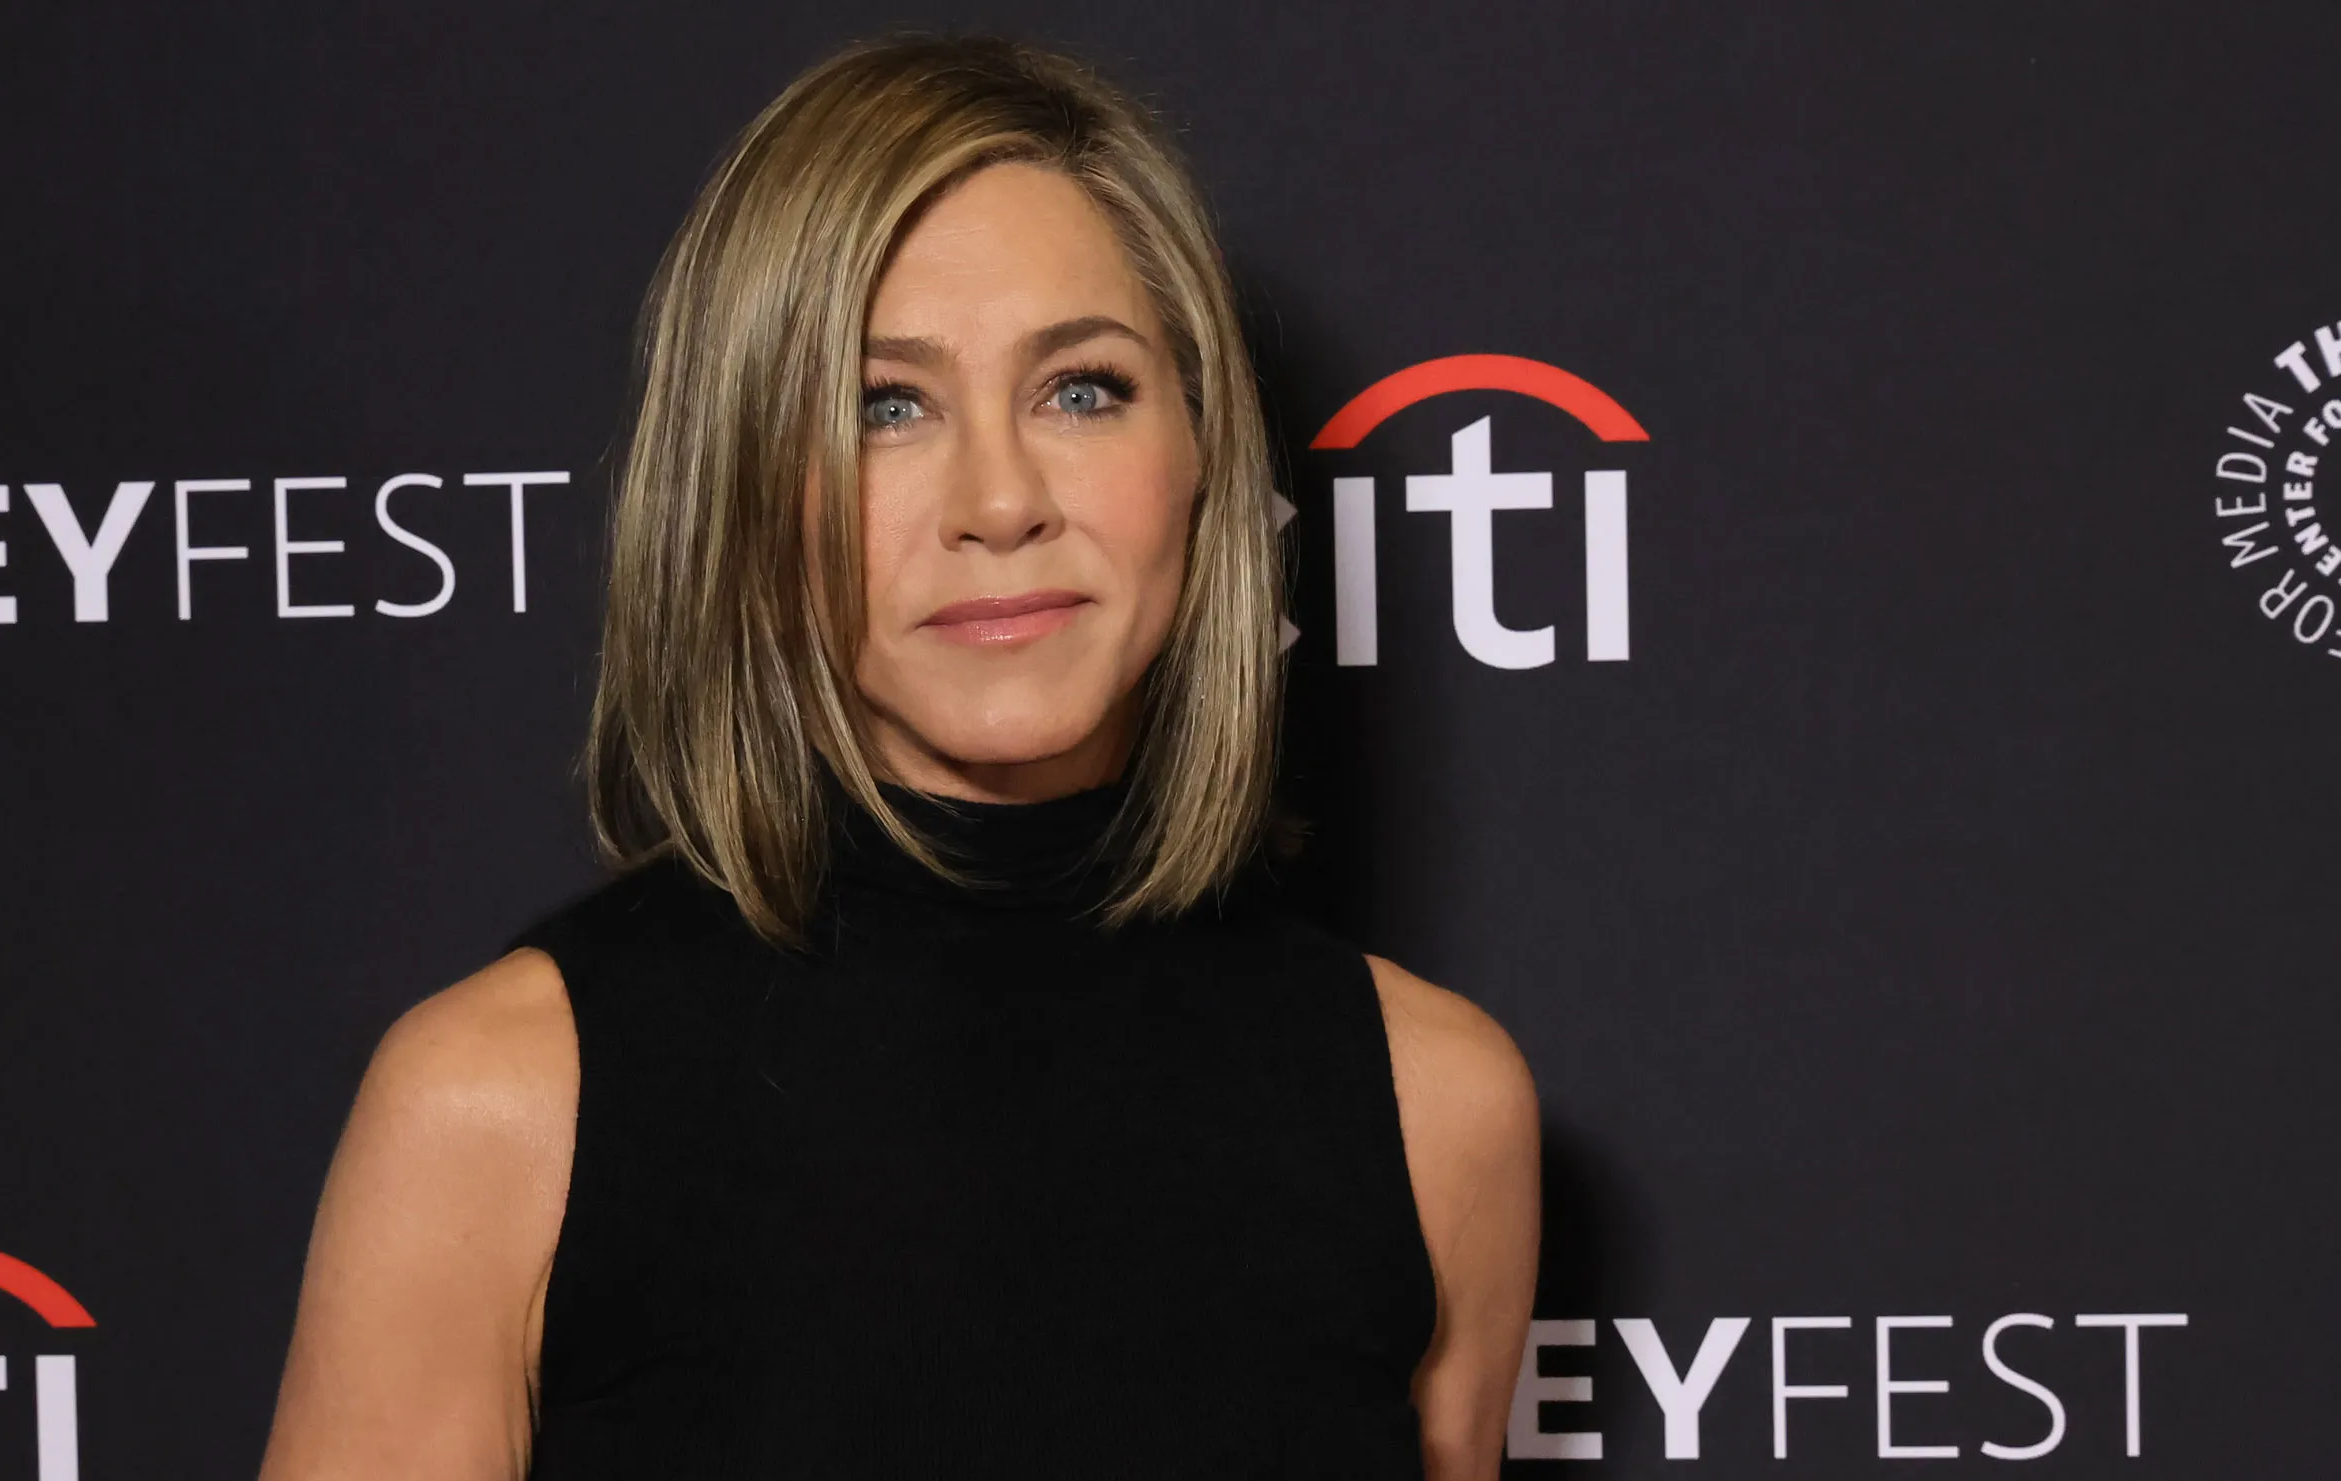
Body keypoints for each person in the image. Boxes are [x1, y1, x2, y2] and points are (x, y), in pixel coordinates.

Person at [258, 33, 1538, 1481]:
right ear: (743, 486)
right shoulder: (499, 1106)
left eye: (1081, 388)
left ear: (1201, 451)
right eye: (885, 406)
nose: (1000, 499)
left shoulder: (1433, 1105)